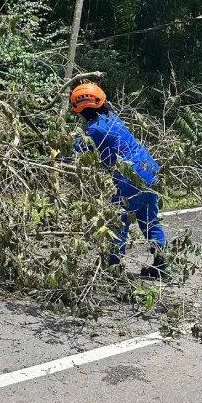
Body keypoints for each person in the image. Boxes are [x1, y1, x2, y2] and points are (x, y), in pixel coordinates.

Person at [70, 82, 167, 278]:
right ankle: (161, 261)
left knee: (117, 221)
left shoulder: (95, 130)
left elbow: (74, 151)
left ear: (83, 110)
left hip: (129, 177)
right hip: (149, 169)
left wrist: (56, 155)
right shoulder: (112, 118)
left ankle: (114, 268)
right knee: (149, 219)